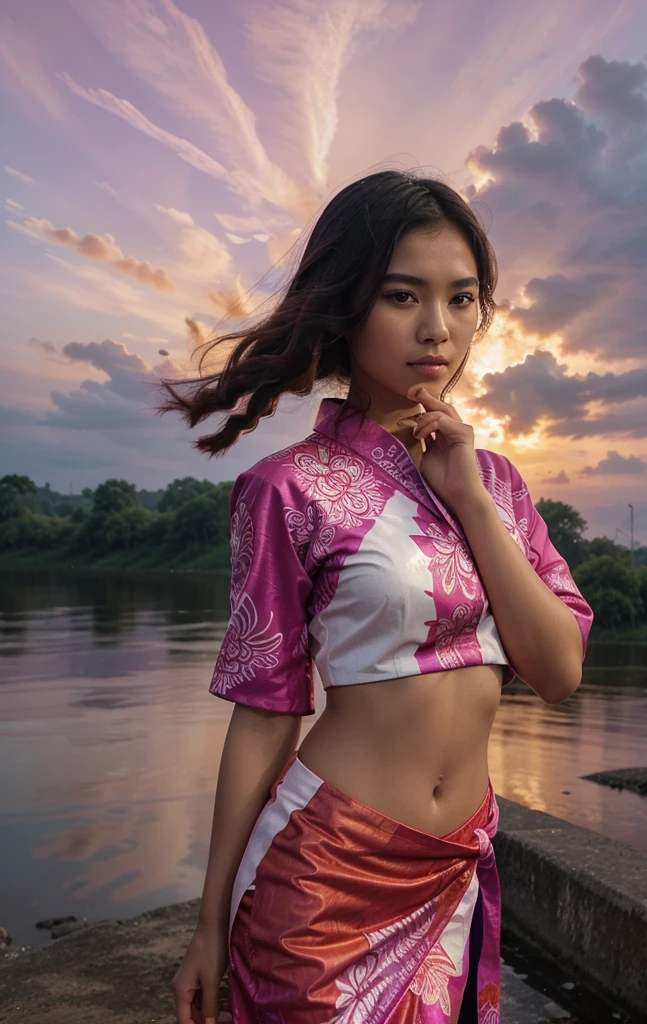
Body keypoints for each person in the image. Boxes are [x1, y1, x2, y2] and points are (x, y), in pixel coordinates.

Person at [160, 169, 594, 1024]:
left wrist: (466, 494)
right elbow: (266, 713)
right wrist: (209, 924)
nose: (438, 329)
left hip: (451, 865)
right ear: (346, 304)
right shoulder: (287, 490)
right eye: (403, 296)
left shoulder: (499, 487)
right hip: (323, 875)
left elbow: (558, 672)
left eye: (461, 298)